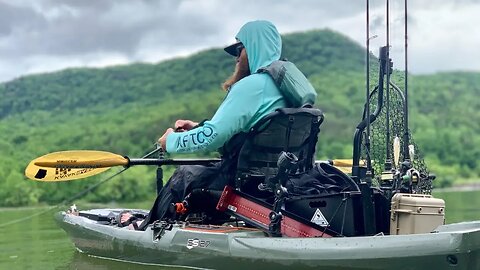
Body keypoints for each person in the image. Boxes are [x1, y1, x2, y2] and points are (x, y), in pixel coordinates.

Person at [121, 20, 288, 230]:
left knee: (185, 175)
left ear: (254, 46)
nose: (236, 57)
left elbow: (213, 137)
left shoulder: (251, 86)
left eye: (239, 49)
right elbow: (250, 130)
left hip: (243, 184)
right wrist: (198, 126)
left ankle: (147, 228)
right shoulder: (286, 88)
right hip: (278, 184)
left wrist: (170, 141)